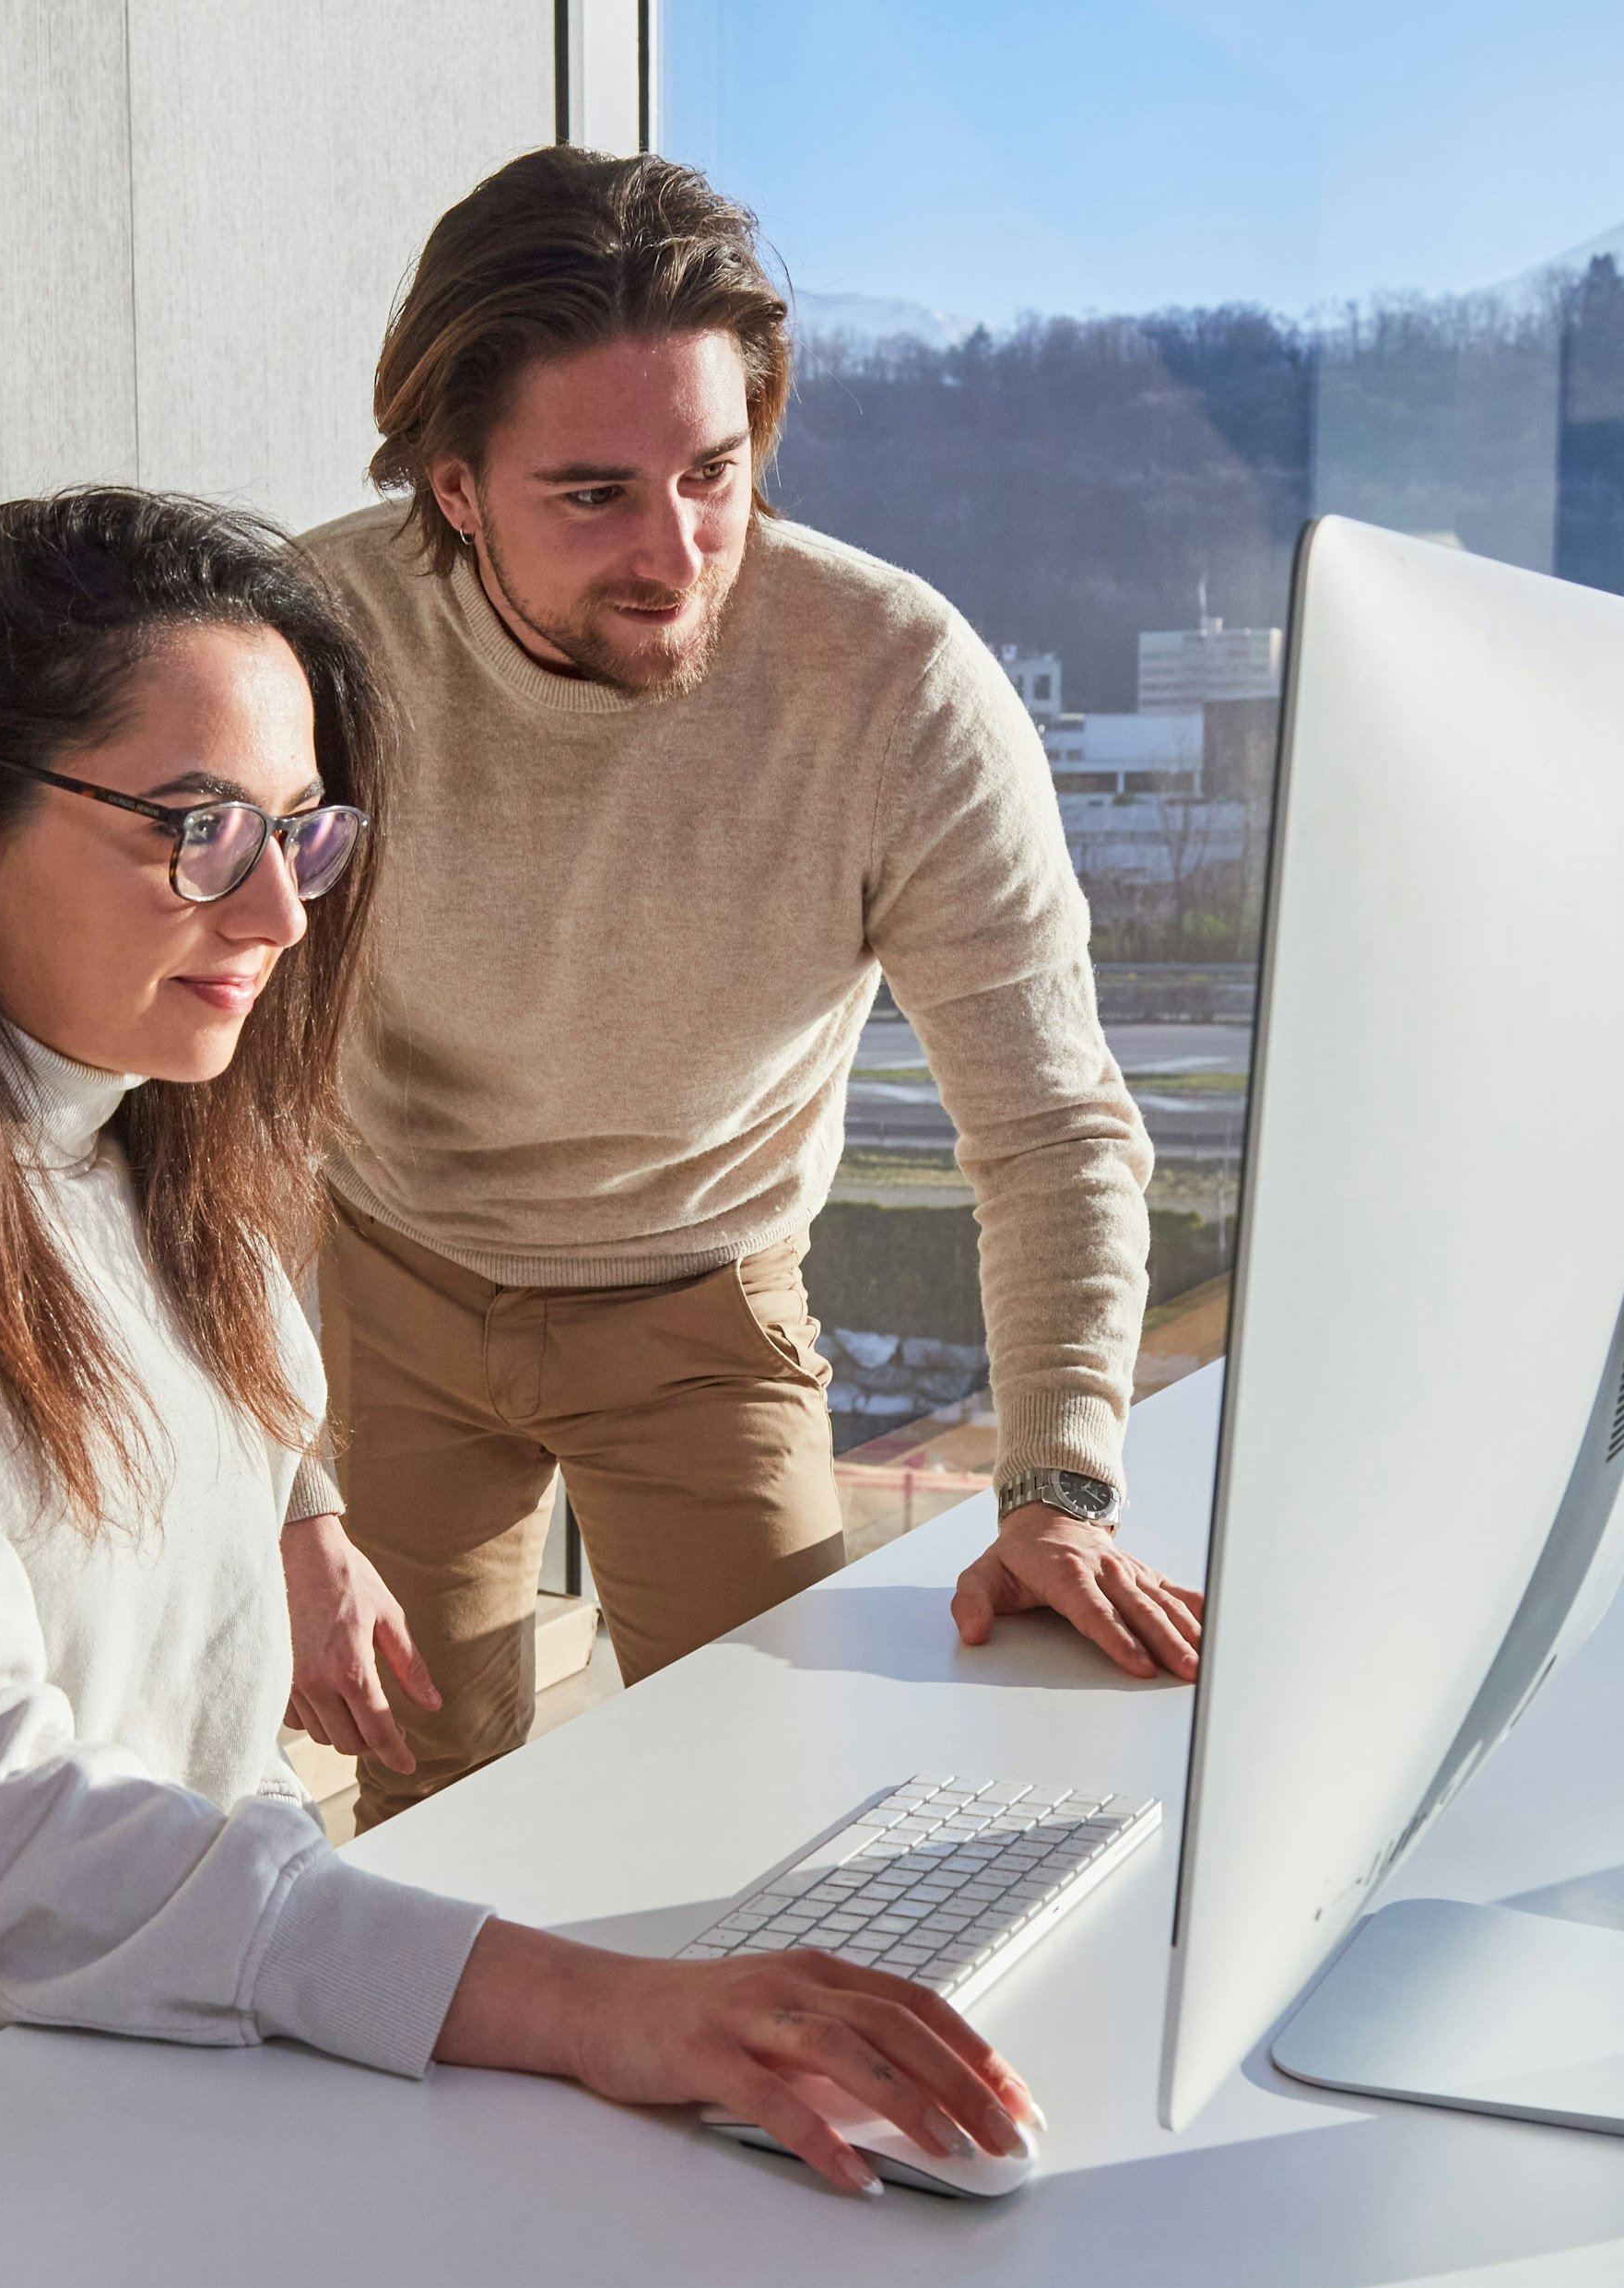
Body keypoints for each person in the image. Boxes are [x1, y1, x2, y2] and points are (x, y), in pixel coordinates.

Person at [0, 489, 1041, 2280]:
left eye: (300, 836)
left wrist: (300, 1531)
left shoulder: (163, 1155)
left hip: (74, 2066)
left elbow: (224, 1490)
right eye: (198, 828)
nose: (276, 914)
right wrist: (572, 2000)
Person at [275, 149, 1198, 1831]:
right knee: (426, 1814)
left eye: (714, 470)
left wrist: (1059, 1482)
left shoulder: (895, 681)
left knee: (767, 1820)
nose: (678, 551)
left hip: (702, 1299)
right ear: (454, 485)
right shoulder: (313, 645)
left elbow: (1054, 1124)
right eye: (594, 496)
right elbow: (189, 1094)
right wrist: (274, 1487)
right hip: (390, 1275)